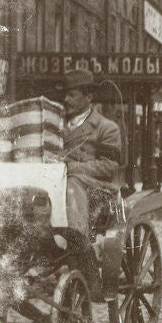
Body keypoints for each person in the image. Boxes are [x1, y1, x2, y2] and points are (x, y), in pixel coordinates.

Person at [59, 68, 122, 236]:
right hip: (58, 185)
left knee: (73, 183)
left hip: (96, 192)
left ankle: (78, 240)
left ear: (88, 97)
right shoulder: (54, 126)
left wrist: (69, 168)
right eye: (65, 95)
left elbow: (108, 168)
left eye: (72, 95)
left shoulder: (107, 128)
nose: (65, 100)